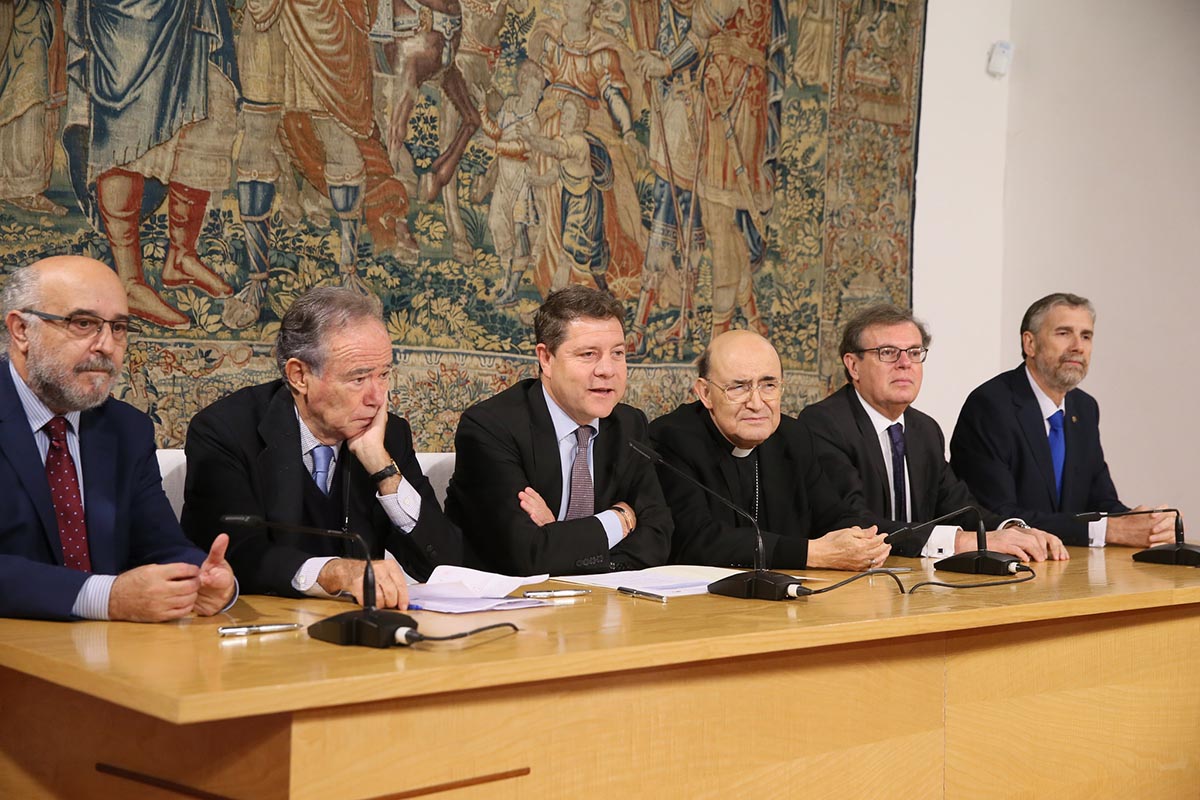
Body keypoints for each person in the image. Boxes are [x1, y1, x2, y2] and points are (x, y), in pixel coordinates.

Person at [182, 287, 464, 610]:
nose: (377, 397)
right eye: (359, 379)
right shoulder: (226, 431)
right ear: (299, 376)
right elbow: (238, 556)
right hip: (257, 635)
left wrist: (384, 470)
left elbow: (447, 564)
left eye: (383, 374)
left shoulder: (388, 435)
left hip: (358, 639)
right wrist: (333, 572)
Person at [0, 256, 235, 621]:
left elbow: (160, 544)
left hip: (111, 654)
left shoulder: (126, 428)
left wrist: (199, 578)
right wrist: (104, 597)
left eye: (119, 328)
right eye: (83, 323)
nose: (107, 346)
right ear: (21, 330)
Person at [799, 304, 1067, 561]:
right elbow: (854, 523)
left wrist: (1013, 529)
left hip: (916, 581)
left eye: (914, 352)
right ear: (853, 366)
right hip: (850, 587)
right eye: (888, 352)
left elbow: (960, 508)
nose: (905, 363)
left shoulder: (925, 430)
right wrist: (963, 542)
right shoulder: (824, 423)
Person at [446, 286, 672, 575]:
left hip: (601, 603)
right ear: (546, 359)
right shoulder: (491, 427)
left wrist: (560, 536)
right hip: (507, 607)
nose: (607, 370)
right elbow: (527, 555)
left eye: (618, 353)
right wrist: (621, 519)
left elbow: (659, 537)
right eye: (588, 354)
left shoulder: (629, 424)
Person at [649, 330, 890, 571]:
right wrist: (811, 554)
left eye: (768, 385)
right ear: (705, 393)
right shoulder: (672, 439)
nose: (756, 403)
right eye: (739, 387)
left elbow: (834, 516)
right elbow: (696, 540)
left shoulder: (793, 437)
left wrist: (861, 543)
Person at [950, 292, 1174, 548]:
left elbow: (1100, 500)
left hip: (1068, 565)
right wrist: (1108, 530)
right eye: (1064, 333)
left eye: (1086, 336)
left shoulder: (1085, 407)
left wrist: (1143, 522)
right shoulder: (990, 405)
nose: (1078, 346)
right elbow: (1000, 517)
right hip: (1009, 570)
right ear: (1030, 344)